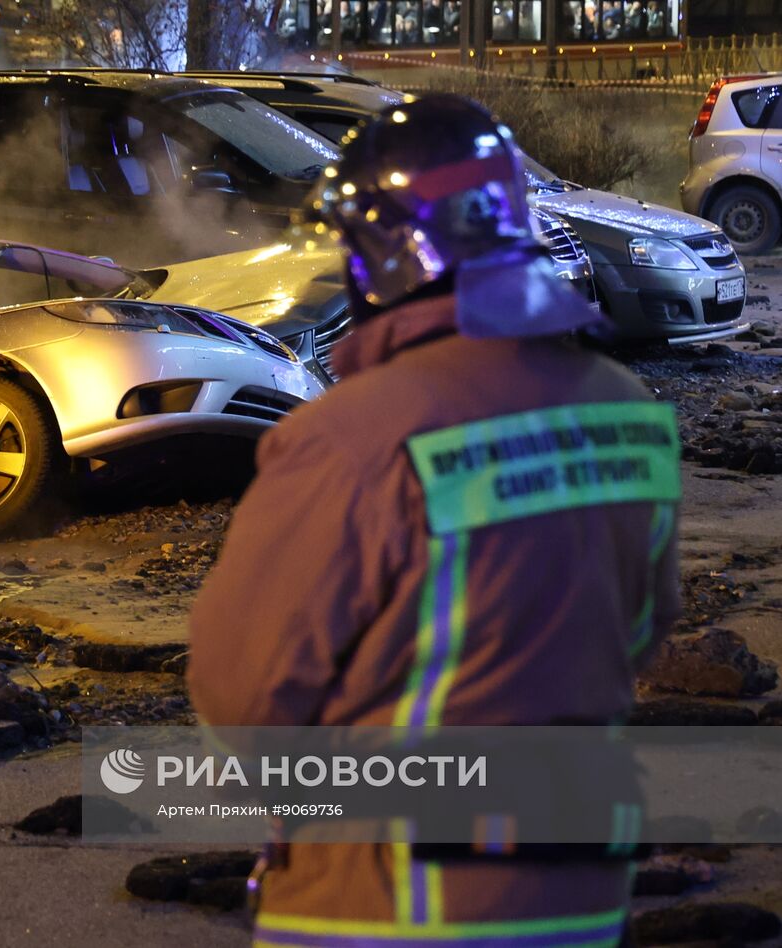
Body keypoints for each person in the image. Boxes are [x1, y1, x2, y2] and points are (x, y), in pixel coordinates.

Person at [188, 95, 681, 947]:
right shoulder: (628, 412)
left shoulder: (349, 439)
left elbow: (246, 692)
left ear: (385, 252)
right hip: (583, 890)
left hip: (393, 902)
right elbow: (638, 629)